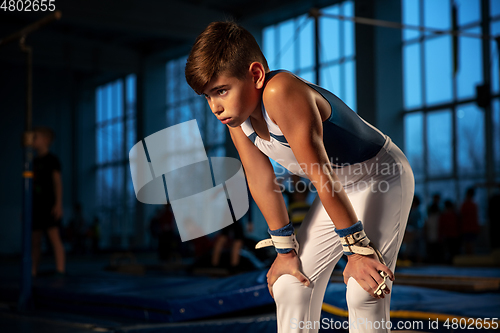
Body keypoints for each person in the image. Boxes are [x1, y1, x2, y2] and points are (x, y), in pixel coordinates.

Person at [185, 21, 414, 333]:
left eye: (221, 91)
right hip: (336, 187)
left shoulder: (281, 91)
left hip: (379, 175)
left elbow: (320, 175)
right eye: (208, 96)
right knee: (289, 284)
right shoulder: (235, 119)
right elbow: (260, 180)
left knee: (365, 289)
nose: (215, 106)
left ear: (255, 75)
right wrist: (285, 251)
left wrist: (357, 250)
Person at [31, 126, 66, 276]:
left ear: (45, 140)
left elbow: (57, 183)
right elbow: (30, 187)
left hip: (49, 205)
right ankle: (32, 271)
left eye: (35, 137)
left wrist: (58, 204)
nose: (32, 141)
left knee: (54, 237)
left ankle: (60, 270)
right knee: (35, 241)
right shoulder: (32, 162)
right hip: (36, 206)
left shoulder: (52, 160)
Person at [439, 200, 460, 264]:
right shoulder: (454, 215)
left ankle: (451, 262)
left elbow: (441, 226)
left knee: (449, 251)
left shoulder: (444, 215)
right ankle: (454, 262)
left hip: (448, 235)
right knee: (453, 250)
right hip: (453, 235)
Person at [460, 187, 480, 255]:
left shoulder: (466, 205)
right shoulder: (472, 205)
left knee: (469, 244)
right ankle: (470, 257)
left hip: (467, 228)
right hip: (470, 228)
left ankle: (469, 257)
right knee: (470, 244)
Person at [424, 193, 442, 264]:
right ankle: (436, 261)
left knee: (433, 249)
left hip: (432, 235)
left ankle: (433, 261)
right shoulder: (437, 217)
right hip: (435, 235)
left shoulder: (430, 218)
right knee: (436, 249)